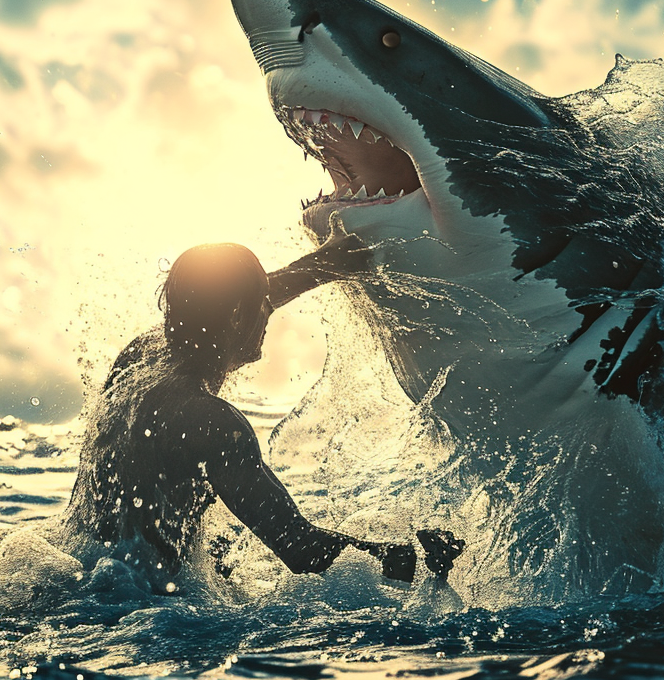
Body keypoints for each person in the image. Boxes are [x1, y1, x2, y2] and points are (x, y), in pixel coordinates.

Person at [61, 216, 462, 593]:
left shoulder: (143, 356)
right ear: (238, 316)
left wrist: (326, 264)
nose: (269, 312)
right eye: (263, 304)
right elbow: (300, 549)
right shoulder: (212, 423)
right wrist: (419, 559)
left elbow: (229, 296)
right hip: (143, 602)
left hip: (78, 567)